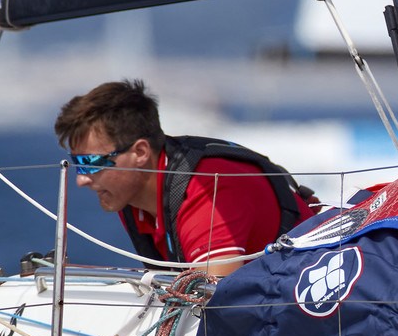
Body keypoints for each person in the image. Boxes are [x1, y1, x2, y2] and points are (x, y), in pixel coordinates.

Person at [54, 79, 317, 276]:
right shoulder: (130, 194)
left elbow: (213, 303)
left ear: (140, 153)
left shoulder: (208, 191)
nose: (81, 180)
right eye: (77, 164)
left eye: (91, 163)